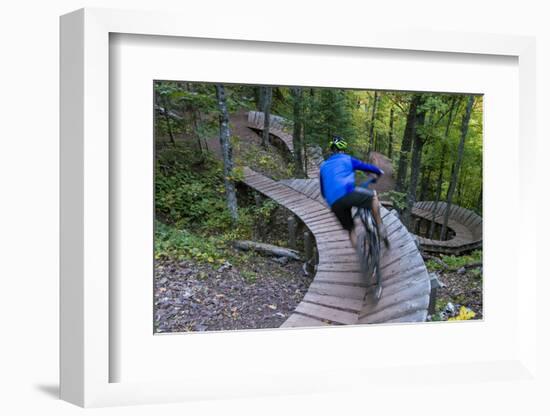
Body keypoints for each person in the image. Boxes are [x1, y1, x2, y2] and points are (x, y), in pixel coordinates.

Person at [319, 136, 389, 248]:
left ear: (332, 150)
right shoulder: (347, 159)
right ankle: (380, 226)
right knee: (373, 197)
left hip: (334, 203)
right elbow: (365, 167)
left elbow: (323, 192)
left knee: (351, 230)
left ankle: (362, 259)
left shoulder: (323, 166)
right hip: (347, 193)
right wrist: (379, 171)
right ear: (343, 150)